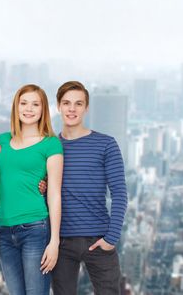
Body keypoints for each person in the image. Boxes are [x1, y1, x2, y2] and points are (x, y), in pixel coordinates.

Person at [51, 81, 128, 295]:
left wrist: (111, 238)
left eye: (78, 103)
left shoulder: (106, 144)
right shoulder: (50, 147)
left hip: (99, 239)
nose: (72, 109)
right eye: (66, 103)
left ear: (86, 108)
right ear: (58, 106)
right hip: (62, 243)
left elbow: (120, 194)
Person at [0, 84, 63, 294]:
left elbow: (54, 194)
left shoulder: (50, 144)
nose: (29, 109)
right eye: (24, 103)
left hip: (35, 228)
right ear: (16, 107)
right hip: (4, 230)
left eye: (35, 104)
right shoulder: (2, 141)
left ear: (44, 110)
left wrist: (54, 242)